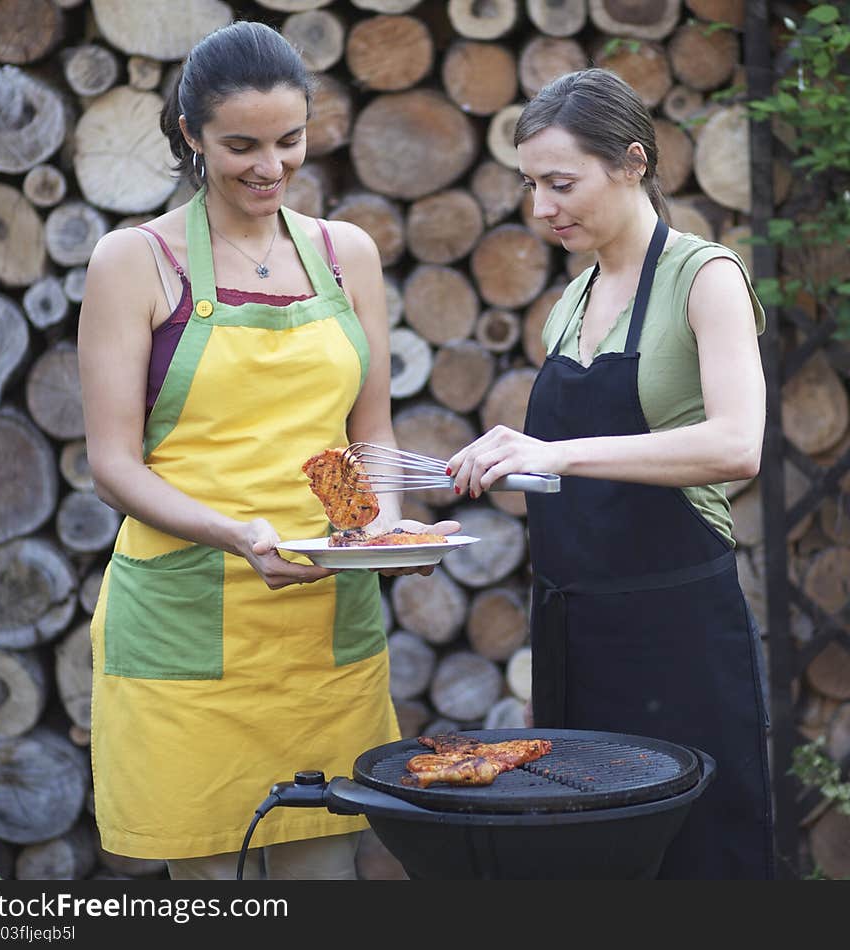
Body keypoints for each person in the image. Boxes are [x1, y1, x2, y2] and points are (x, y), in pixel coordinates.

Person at [78, 20, 455, 881]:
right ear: (190, 137)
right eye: (240, 145)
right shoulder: (134, 262)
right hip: (188, 626)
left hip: (323, 630)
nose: (271, 167)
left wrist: (384, 533)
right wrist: (239, 535)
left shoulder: (345, 254)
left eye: (290, 141)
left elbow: (373, 434)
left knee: (323, 884)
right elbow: (114, 464)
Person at [447, 68, 774, 880]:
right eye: (530, 185)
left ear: (631, 162)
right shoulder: (571, 302)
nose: (540, 208)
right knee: (585, 865)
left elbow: (737, 445)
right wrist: (503, 462)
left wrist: (553, 452)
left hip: (679, 638)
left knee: (700, 864)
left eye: (561, 183)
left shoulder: (707, 278)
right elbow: (579, 482)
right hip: (575, 637)